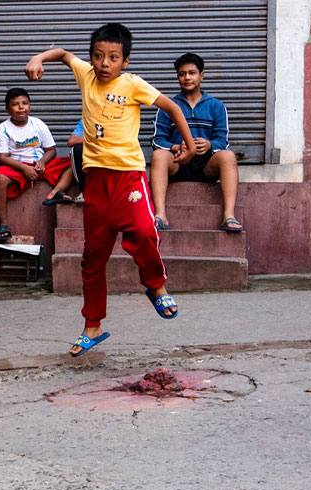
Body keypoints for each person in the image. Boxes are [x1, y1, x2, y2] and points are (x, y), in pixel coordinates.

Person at [25, 23, 196, 357]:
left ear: (125, 61)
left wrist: (188, 147)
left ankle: (155, 285)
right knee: (92, 258)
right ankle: (93, 326)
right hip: (96, 181)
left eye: (113, 57)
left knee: (144, 231)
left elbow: (172, 107)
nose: (104, 63)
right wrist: (38, 58)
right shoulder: (85, 75)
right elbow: (61, 54)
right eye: (99, 56)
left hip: (129, 178)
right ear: (92, 58)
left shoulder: (132, 85)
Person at [150, 53, 241, 232]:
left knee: (228, 156)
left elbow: (223, 141)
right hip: (177, 163)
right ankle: (160, 216)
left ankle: (229, 216)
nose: (187, 78)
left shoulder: (216, 106)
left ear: (201, 75)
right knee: (158, 155)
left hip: (205, 165)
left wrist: (209, 145)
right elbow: (157, 140)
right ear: (178, 77)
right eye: (182, 74)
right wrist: (177, 147)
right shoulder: (168, 105)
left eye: (192, 73)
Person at [0, 87, 72, 242]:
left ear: (30, 105)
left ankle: (57, 191)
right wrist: (24, 168)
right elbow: (2, 158)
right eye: (15, 104)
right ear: (7, 109)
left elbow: (51, 150)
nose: (21, 107)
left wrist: (42, 162)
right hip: (18, 167)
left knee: (73, 163)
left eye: (25, 103)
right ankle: (3, 225)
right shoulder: (3, 129)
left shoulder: (38, 124)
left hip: (40, 165)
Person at [43, 120, 86, 204]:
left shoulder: (117, 120)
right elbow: (71, 141)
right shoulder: (88, 119)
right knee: (77, 150)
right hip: (91, 159)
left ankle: (54, 192)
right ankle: (84, 191)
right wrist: (97, 139)